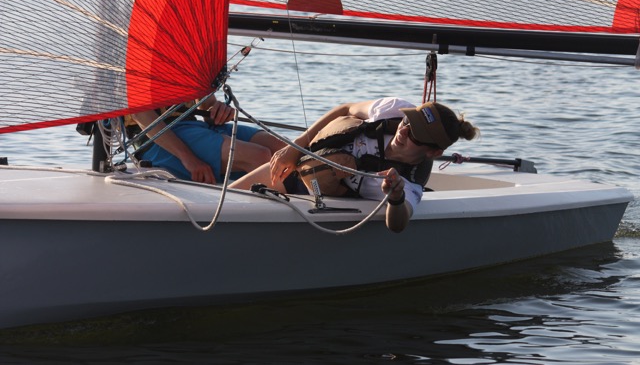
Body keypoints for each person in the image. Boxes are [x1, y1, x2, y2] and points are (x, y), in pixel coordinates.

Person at [230, 97, 479, 233]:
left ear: (434, 152)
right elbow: (345, 109)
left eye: (415, 134)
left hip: (319, 202)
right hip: (295, 172)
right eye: (408, 122)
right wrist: (297, 146)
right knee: (226, 200)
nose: (403, 131)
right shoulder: (392, 110)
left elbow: (398, 223)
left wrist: (395, 197)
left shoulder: (408, 182)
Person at [127, 94, 285, 184]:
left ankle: (299, 196)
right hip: (156, 142)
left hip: (195, 126)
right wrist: (189, 159)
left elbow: (207, 105)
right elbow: (140, 115)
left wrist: (217, 111)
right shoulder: (135, 57)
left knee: (284, 150)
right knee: (259, 156)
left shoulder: (184, 54)